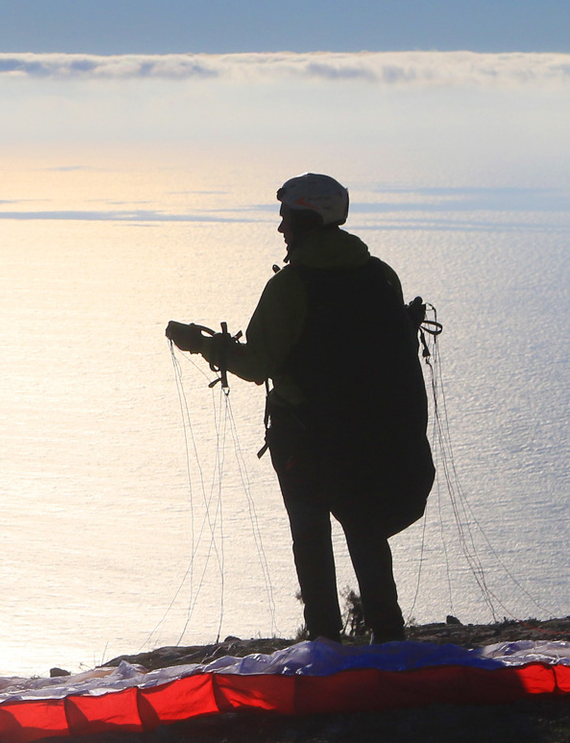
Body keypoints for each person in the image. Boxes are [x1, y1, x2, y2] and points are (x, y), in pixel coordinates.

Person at [167, 173, 433, 645]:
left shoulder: (291, 286)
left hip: (305, 436)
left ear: (306, 219)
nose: (281, 229)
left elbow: (258, 364)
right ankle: (389, 636)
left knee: (310, 535)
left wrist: (204, 346)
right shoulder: (381, 274)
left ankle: (326, 642)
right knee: (365, 528)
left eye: (286, 218)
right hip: (370, 432)